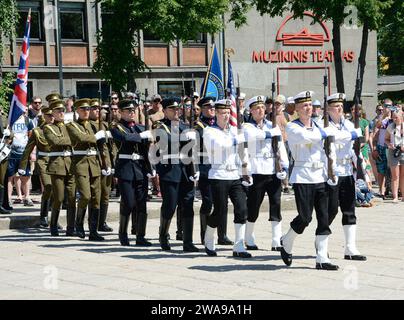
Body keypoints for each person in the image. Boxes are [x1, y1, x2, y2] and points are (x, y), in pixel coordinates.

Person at [281, 90, 339, 270]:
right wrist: (325, 133)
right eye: (304, 106)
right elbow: (307, 138)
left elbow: (330, 149)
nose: (308, 108)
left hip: (320, 176)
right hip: (302, 176)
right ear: (297, 109)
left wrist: (333, 170)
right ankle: (287, 241)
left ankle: (322, 258)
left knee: (324, 216)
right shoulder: (293, 127)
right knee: (305, 217)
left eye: (310, 105)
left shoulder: (320, 125)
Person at [202, 99, 251, 258]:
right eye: (223, 113)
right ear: (216, 113)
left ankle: (239, 246)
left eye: (228, 112)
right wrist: (238, 138)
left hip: (235, 175)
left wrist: (246, 171)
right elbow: (220, 145)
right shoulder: (210, 131)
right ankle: (209, 237)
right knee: (220, 211)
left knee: (242, 208)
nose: (226, 115)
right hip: (219, 175)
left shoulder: (233, 130)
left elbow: (242, 153)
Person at [152, 97, 200, 252]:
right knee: (170, 206)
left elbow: (193, 151)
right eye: (172, 109)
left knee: (188, 205)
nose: (176, 111)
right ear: (164, 111)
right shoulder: (160, 127)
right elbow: (164, 142)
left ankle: (188, 241)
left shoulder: (186, 126)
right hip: (170, 171)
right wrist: (182, 138)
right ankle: (163, 234)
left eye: (177, 109)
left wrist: (196, 169)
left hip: (186, 171)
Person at [323, 93, 366, 261]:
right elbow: (331, 138)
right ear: (328, 108)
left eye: (341, 105)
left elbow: (356, 148)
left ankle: (350, 248)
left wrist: (362, 167)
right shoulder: (323, 125)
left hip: (347, 170)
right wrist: (353, 135)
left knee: (349, 210)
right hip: (331, 172)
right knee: (331, 210)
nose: (340, 108)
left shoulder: (349, 125)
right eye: (336, 105)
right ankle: (322, 244)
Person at [243, 95, 288, 251]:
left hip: (273, 170)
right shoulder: (247, 126)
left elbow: (280, 146)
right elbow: (253, 136)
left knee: (276, 204)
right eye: (257, 108)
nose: (261, 110)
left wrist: (284, 166)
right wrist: (271, 134)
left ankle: (276, 239)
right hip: (256, 171)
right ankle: (248, 237)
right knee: (254, 205)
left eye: (262, 107)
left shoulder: (272, 125)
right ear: (251, 111)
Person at [110, 99, 154, 246]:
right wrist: (142, 136)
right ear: (121, 112)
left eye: (133, 110)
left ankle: (140, 236)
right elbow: (124, 138)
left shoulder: (140, 128)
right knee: (128, 203)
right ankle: (123, 233)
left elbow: (147, 148)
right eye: (128, 111)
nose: (132, 113)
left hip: (140, 168)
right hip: (126, 168)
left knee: (142, 204)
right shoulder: (117, 127)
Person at [66, 98, 106, 241]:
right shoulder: (72, 126)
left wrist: (106, 164)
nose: (86, 112)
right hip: (81, 164)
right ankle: (79, 225)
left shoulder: (95, 125)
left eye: (88, 109)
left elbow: (103, 146)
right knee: (85, 196)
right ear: (77, 110)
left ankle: (93, 231)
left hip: (95, 164)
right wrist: (96, 137)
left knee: (96, 199)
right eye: (83, 109)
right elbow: (81, 138)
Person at [43, 99, 76, 236]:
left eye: (63, 110)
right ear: (53, 113)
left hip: (70, 164)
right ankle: (53, 226)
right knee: (59, 198)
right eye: (58, 111)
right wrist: (73, 140)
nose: (61, 113)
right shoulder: (48, 127)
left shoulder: (69, 126)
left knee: (72, 197)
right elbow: (55, 141)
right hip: (57, 165)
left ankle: (71, 228)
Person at [18, 105, 54, 227]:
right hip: (43, 161)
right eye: (49, 115)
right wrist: (22, 166)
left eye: (53, 115)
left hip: (57, 162)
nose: (52, 117)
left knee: (57, 191)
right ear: (44, 116)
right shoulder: (38, 131)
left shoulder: (60, 129)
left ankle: (54, 219)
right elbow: (28, 149)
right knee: (48, 187)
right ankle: (44, 216)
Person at [88, 99, 114, 232]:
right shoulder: (86, 125)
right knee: (95, 195)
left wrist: (112, 162)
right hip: (95, 162)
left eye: (98, 109)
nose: (96, 111)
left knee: (105, 193)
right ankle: (93, 224)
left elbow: (111, 146)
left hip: (106, 162)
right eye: (93, 108)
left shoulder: (104, 124)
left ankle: (102, 222)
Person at [385, 108, 404, 203]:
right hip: (394, 152)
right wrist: (390, 145)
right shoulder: (390, 127)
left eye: (396, 117)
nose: (394, 119)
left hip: (403, 152)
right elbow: (386, 139)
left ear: (402, 117)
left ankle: (403, 195)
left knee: (403, 175)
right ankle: (395, 196)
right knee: (395, 175)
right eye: (393, 118)